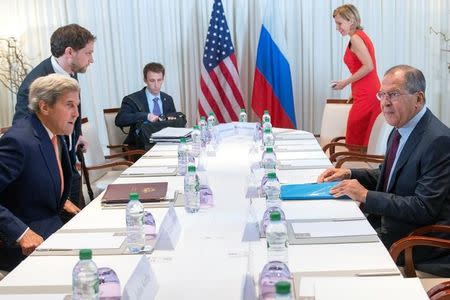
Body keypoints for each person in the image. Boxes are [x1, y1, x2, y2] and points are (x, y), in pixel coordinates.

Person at [318, 65, 450, 276]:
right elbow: (391, 177)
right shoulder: (400, 129)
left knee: (333, 255)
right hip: (388, 224)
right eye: (382, 94)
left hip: (413, 240)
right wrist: (350, 173)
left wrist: (366, 195)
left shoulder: (438, 141)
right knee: (324, 230)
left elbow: (423, 207)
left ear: (418, 98)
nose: (385, 102)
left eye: (394, 94)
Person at [0, 74, 80, 271]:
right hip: (25, 243)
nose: (76, 113)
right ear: (44, 107)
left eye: (77, 105)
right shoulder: (18, 141)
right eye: (69, 105)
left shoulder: (53, 132)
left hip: (52, 226)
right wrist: (21, 233)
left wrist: (60, 197)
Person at [14, 24, 96, 212]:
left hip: (69, 166)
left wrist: (76, 134)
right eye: (88, 53)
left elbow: (74, 109)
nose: (91, 59)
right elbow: (23, 135)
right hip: (48, 175)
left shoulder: (72, 72)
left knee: (79, 223)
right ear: (70, 52)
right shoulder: (33, 86)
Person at [332, 4, 381, 147]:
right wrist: (354, 90)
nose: (337, 27)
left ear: (351, 20)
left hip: (367, 93)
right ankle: (357, 166)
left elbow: (368, 66)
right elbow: (363, 67)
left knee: (355, 137)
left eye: (339, 23)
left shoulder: (355, 39)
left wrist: (345, 82)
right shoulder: (359, 36)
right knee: (360, 135)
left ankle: (354, 167)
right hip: (365, 91)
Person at [115, 62, 185, 149]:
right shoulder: (131, 99)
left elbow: (173, 124)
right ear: (145, 80)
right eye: (152, 80)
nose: (156, 85)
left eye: (159, 80)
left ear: (163, 79)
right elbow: (119, 120)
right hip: (141, 148)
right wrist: (146, 116)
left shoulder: (168, 99)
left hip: (166, 145)